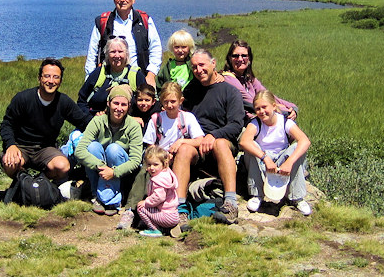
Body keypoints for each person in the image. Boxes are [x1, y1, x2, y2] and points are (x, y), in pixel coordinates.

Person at [172, 48, 245, 230]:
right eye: (194, 67)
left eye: (202, 65)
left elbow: (236, 124)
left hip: (222, 142)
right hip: (196, 143)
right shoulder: (190, 91)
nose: (199, 70)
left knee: (220, 144)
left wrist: (214, 135)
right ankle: (179, 209)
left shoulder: (229, 91)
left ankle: (230, 203)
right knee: (184, 149)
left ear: (213, 64)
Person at [118, 81, 205, 229]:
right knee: (145, 170)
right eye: (166, 102)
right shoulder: (156, 118)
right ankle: (131, 210)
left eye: (173, 101)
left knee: (181, 154)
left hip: (181, 156)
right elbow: (150, 145)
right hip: (161, 158)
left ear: (180, 101)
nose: (170, 105)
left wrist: (181, 143)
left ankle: (177, 208)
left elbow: (199, 139)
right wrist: (160, 157)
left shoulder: (187, 117)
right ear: (161, 102)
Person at [0, 58, 92, 183]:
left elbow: (83, 121)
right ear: (40, 78)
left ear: (60, 81)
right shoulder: (23, 98)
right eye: (47, 76)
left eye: (56, 77)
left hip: (45, 149)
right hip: (21, 146)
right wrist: (10, 145)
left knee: (63, 166)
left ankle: (38, 183)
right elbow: (7, 124)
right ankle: (24, 184)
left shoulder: (63, 102)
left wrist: (106, 123)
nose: (51, 81)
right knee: (10, 163)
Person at [238, 91, 312, 216]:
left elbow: (305, 141)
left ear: (273, 106)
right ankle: (257, 194)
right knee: (252, 147)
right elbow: (244, 142)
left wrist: (289, 162)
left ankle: (296, 197)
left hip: (281, 159)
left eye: (264, 107)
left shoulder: (285, 122)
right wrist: (265, 158)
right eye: (258, 109)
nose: (262, 112)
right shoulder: (255, 123)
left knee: (297, 149)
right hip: (263, 161)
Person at [74, 85, 144, 215]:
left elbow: (136, 160)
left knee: (113, 149)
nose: (119, 108)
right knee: (92, 147)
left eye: (123, 104)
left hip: (121, 169)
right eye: (115, 103)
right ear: (108, 103)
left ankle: (112, 199)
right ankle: (98, 196)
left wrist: (113, 172)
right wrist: (102, 167)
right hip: (100, 166)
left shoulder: (134, 126)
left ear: (129, 106)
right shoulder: (97, 121)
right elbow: (80, 150)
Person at [84, 0, 162, 86]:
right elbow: (92, 53)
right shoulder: (103, 21)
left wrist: (151, 74)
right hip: (108, 80)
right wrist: (89, 79)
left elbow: (155, 48)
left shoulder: (145, 20)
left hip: (138, 78)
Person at [220, 40, 298, 121]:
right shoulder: (228, 79)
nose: (240, 59)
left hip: (257, 118)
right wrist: (284, 110)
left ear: (249, 59)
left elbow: (269, 97)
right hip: (242, 123)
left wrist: (292, 108)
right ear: (229, 58)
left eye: (244, 56)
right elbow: (250, 103)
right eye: (235, 56)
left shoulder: (249, 79)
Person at [77, 37, 141, 115]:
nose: (117, 55)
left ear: (127, 54)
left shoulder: (136, 75)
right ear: (107, 54)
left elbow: (147, 102)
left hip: (128, 124)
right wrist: (91, 118)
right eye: (113, 52)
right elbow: (81, 101)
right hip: (96, 121)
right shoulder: (99, 73)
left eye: (120, 52)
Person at [135, 146, 180, 236]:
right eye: (149, 164)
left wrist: (146, 202)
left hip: (166, 216)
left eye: (155, 165)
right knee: (148, 206)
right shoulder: (167, 174)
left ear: (164, 164)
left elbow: (159, 197)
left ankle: (155, 229)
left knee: (141, 208)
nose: (152, 168)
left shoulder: (159, 180)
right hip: (173, 214)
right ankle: (166, 228)